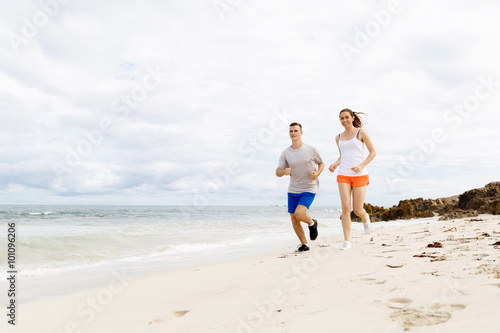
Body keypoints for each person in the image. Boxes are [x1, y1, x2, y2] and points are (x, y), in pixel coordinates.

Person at [328, 109, 376, 250]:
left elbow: (373, 152)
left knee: (357, 210)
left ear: (352, 117)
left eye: (347, 117)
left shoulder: (361, 133)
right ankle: (347, 240)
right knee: (345, 208)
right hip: (343, 174)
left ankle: (364, 216)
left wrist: (361, 165)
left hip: (360, 175)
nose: (344, 120)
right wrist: (335, 164)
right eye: (342, 118)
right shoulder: (338, 137)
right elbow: (342, 156)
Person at [276, 122, 325, 252]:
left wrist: (317, 173)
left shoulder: (311, 149)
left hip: (309, 187)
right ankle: (304, 244)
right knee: (293, 217)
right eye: (291, 131)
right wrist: (284, 172)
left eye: (296, 131)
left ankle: (312, 223)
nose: (293, 133)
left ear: (301, 133)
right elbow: (278, 172)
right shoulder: (286, 153)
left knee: (299, 214)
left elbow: (321, 163)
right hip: (293, 189)